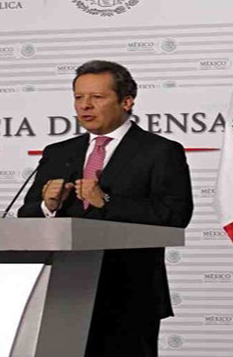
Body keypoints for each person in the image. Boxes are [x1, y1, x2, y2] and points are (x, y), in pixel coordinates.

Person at [17, 60, 193, 357]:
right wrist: (48, 206)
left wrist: (106, 201)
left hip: (129, 296)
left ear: (127, 101)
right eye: (78, 97)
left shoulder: (160, 151)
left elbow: (174, 216)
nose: (85, 105)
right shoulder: (59, 153)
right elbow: (26, 215)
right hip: (62, 295)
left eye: (97, 97)